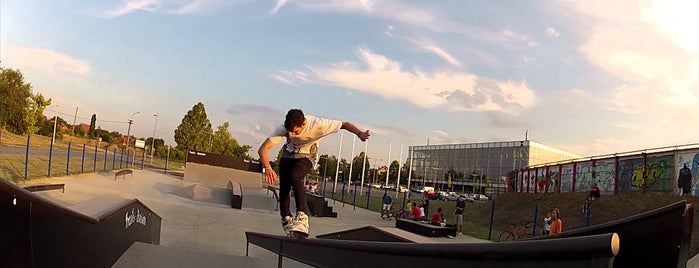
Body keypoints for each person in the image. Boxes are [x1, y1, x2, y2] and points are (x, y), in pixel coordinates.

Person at [259, 109, 370, 236]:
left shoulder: (319, 124)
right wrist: (268, 168)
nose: (292, 134)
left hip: (307, 156)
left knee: (295, 175)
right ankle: (286, 218)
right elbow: (263, 149)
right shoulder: (283, 128)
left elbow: (345, 124)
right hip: (289, 155)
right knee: (284, 186)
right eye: (290, 131)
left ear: (303, 124)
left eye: (295, 131)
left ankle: (302, 216)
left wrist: (359, 133)